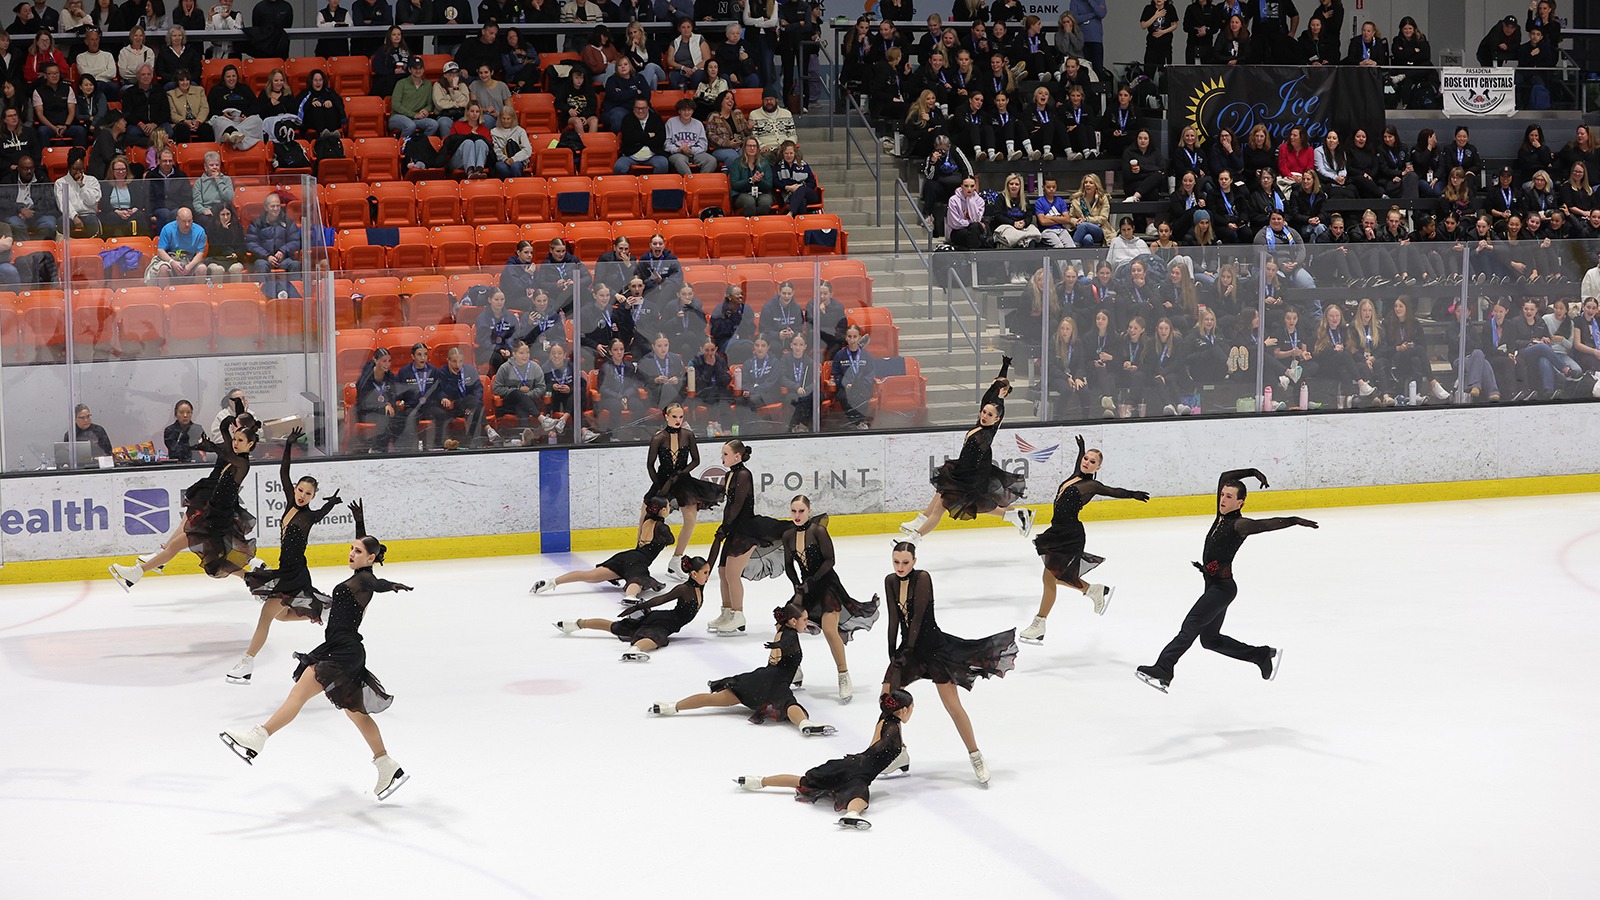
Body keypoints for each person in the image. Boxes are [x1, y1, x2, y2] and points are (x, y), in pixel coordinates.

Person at [219, 501, 413, 803]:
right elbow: (368, 565)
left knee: (298, 694)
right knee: (356, 714)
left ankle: (258, 737)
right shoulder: (360, 573)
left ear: (370, 557)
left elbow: (375, 580)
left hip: (342, 653)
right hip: (343, 649)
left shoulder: (364, 580)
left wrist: (393, 585)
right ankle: (387, 764)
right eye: (352, 547)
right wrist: (359, 522)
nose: (351, 553)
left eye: (358, 551)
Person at [1136, 469, 1318, 692]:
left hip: (1222, 589)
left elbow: (1268, 524)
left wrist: (1294, 520)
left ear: (1240, 503)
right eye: (1222, 495)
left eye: (1229, 497)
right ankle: (1259, 654)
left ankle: (1164, 668)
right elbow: (1224, 476)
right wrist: (1251, 472)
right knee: (1209, 640)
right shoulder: (1220, 515)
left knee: (1190, 626)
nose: (1222, 499)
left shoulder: (1238, 525)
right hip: (1213, 586)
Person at [881, 541, 1014, 787]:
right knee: (887, 698)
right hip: (907, 650)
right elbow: (893, 619)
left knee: (953, 706)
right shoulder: (890, 581)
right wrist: (892, 653)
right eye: (896, 562)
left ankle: (975, 755)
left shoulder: (923, 578)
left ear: (915, 561)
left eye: (905, 562)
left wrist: (907, 650)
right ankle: (897, 752)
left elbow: (919, 619)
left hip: (933, 650)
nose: (900, 567)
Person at [228, 428, 344, 685]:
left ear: (313, 497)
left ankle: (247, 663)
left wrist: (331, 503)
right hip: (288, 571)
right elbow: (284, 471)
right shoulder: (291, 503)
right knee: (281, 615)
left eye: (308, 494)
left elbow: (321, 511)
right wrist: (289, 444)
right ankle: (319, 611)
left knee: (266, 617)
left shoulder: (308, 516)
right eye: (301, 490)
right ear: (295, 489)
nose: (303, 496)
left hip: (294, 575)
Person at [110, 397, 260, 588]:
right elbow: (229, 440)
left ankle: (136, 573)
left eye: (240, 440)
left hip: (216, 520)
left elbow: (227, 452)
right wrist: (233, 418)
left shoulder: (242, 463)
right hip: (213, 515)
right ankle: (253, 580)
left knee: (182, 550)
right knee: (214, 563)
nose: (235, 442)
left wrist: (212, 445)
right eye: (236, 439)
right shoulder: (235, 456)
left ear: (250, 445)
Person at [1019, 435, 1150, 644]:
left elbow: (1112, 491)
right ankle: (1091, 591)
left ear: (1098, 467)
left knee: (1051, 578)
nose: (1087, 462)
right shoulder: (1075, 476)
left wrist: (1132, 494)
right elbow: (1078, 463)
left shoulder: (1090, 485)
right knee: (1052, 578)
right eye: (1086, 458)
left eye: (1092, 461)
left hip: (1070, 535)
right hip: (1058, 531)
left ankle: (1041, 622)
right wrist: (1081, 449)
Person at [651, 598, 838, 736]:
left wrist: (778, 647)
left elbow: (786, 641)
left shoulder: (782, 630)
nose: (807, 623)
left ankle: (672, 706)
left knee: (714, 699)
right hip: (776, 682)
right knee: (789, 705)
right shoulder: (789, 635)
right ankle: (804, 724)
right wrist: (777, 649)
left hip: (758, 681)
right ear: (792, 621)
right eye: (804, 620)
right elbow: (785, 644)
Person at [734, 687, 912, 830]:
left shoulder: (885, 720)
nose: (911, 712)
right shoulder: (893, 730)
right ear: (903, 710)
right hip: (862, 772)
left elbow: (874, 746)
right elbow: (880, 748)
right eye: (911, 709)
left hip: (852, 762)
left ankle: (757, 781)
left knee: (803, 780)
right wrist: (888, 755)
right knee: (860, 797)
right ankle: (851, 815)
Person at [901, 359, 1030, 542]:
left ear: (997, 419)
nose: (985, 416)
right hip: (965, 470)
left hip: (972, 474)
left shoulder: (988, 430)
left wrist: (1002, 389)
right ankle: (919, 523)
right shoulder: (983, 418)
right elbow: (989, 396)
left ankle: (915, 536)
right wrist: (1004, 369)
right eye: (983, 413)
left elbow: (995, 398)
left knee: (968, 504)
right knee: (950, 498)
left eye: (990, 415)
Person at [784, 495, 879, 703]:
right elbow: (789, 565)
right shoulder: (788, 535)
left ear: (809, 511)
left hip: (827, 585)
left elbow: (830, 560)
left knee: (829, 629)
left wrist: (812, 580)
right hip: (806, 587)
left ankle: (843, 675)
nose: (797, 515)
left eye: (801, 511)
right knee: (784, 623)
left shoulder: (818, 531)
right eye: (793, 511)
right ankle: (793, 668)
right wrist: (797, 586)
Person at [553, 555, 711, 661]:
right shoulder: (684, 589)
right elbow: (661, 599)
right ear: (694, 574)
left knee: (618, 628)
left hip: (667, 620)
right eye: (705, 573)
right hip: (665, 622)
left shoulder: (700, 585)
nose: (708, 576)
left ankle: (574, 624)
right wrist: (639, 606)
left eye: (708, 572)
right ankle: (634, 650)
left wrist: (720, 535)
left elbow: (713, 557)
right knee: (655, 639)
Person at [704, 440, 789, 636]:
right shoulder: (729, 474)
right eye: (722, 454)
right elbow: (728, 506)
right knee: (723, 571)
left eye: (725, 454)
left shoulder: (744, 474)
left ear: (737, 456)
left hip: (746, 529)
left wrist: (725, 527)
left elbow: (737, 506)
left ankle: (738, 615)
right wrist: (725, 526)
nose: (722, 457)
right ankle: (726, 613)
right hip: (734, 528)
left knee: (733, 575)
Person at [533, 496, 675, 601]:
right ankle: (631, 597)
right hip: (639, 561)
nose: (671, 509)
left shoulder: (646, 521)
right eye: (669, 507)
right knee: (638, 580)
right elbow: (671, 540)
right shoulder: (662, 528)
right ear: (662, 510)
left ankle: (552, 582)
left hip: (625, 556)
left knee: (590, 575)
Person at [642, 401, 723, 580]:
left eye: (681, 417)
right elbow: (650, 465)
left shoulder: (688, 435)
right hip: (663, 481)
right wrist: (660, 486)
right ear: (666, 417)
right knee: (646, 519)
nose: (678, 420)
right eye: (674, 417)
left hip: (683, 481)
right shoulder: (658, 438)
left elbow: (696, 460)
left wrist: (681, 473)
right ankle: (638, 561)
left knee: (691, 520)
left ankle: (676, 559)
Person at [148, 205, 206, 281]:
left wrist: (190, 266)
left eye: (189, 221)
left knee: (202, 268)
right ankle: (165, 292)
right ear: (177, 220)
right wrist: (172, 262)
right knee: (163, 268)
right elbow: (160, 251)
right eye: (184, 221)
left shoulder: (200, 231)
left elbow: (200, 253)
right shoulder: (167, 229)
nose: (187, 224)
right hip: (171, 259)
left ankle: (198, 292)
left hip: (190, 261)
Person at [389, 56, 440, 139]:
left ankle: (421, 145)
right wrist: (414, 115)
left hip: (417, 118)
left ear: (423, 69)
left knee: (433, 124)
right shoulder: (401, 83)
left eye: (420, 68)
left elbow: (430, 103)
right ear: (409, 69)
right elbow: (395, 105)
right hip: (398, 116)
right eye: (415, 68)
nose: (418, 71)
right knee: (410, 125)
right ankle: (403, 147)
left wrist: (427, 110)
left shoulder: (428, 84)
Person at [55, 147, 102, 237]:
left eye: (81, 169)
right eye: (75, 169)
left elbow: (92, 202)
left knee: (91, 222)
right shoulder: (60, 182)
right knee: (63, 222)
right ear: (69, 168)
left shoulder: (92, 180)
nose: (78, 172)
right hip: (69, 216)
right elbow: (63, 203)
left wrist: (82, 186)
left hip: (89, 215)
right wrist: (74, 217)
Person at [614, 96, 667, 175]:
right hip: (631, 155)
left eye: (643, 108)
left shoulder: (656, 119)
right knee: (619, 166)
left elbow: (660, 139)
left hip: (653, 155)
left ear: (648, 108)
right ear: (633, 108)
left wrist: (639, 138)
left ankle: (655, 185)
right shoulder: (627, 119)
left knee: (663, 164)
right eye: (637, 108)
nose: (640, 111)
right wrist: (648, 135)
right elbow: (628, 139)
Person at [664, 97, 715, 175]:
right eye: (684, 110)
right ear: (679, 111)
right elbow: (666, 144)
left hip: (695, 153)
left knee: (711, 160)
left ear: (693, 111)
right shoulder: (671, 122)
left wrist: (691, 150)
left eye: (689, 110)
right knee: (680, 160)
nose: (687, 112)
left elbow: (703, 144)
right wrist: (678, 149)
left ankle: (701, 181)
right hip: (677, 153)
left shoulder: (698, 124)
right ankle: (690, 181)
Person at [729, 136, 774, 213]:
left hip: (762, 193)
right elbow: (735, 185)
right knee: (749, 201)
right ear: (744, 148)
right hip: (742, 193)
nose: (752, 148)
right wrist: (750, 180)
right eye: (749, 146)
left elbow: (769, 185)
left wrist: (760, 180)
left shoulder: (764, 163)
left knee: (765, 202)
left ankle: (760, 223)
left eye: (754, 146)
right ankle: (748, 223)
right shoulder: (737, 163)